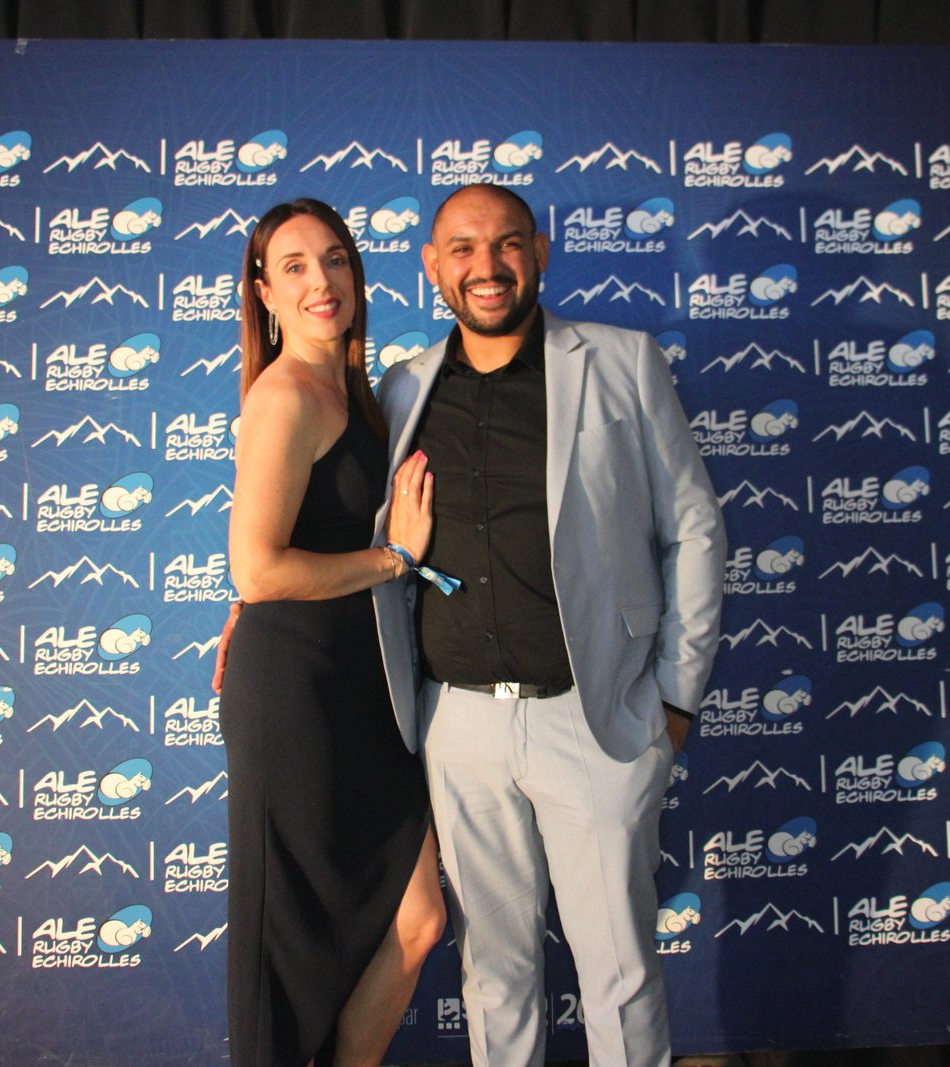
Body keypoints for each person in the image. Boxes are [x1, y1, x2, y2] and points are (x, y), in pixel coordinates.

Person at [369, 183, 726, 1067]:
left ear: (539, 251)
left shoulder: (622, 361)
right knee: (494, 977)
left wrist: (675, 699)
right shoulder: (403, 387)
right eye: (462, 248)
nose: (486, 266)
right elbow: (354, 533)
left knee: (620, 975)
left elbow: (694, 526)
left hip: (596, 718)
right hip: (458, 726)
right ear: (433, 266)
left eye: (506, 243)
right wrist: (255, 600)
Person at [215, 198, 446, 1067]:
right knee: (295, 950)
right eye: (296, 266)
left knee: (417, 920)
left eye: (337, 259)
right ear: (264, 293)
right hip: (298, 696)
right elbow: (258, 569)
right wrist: (394, 559)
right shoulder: (283, 396)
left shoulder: (362, 394)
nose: (323, 281)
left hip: (363, 686)